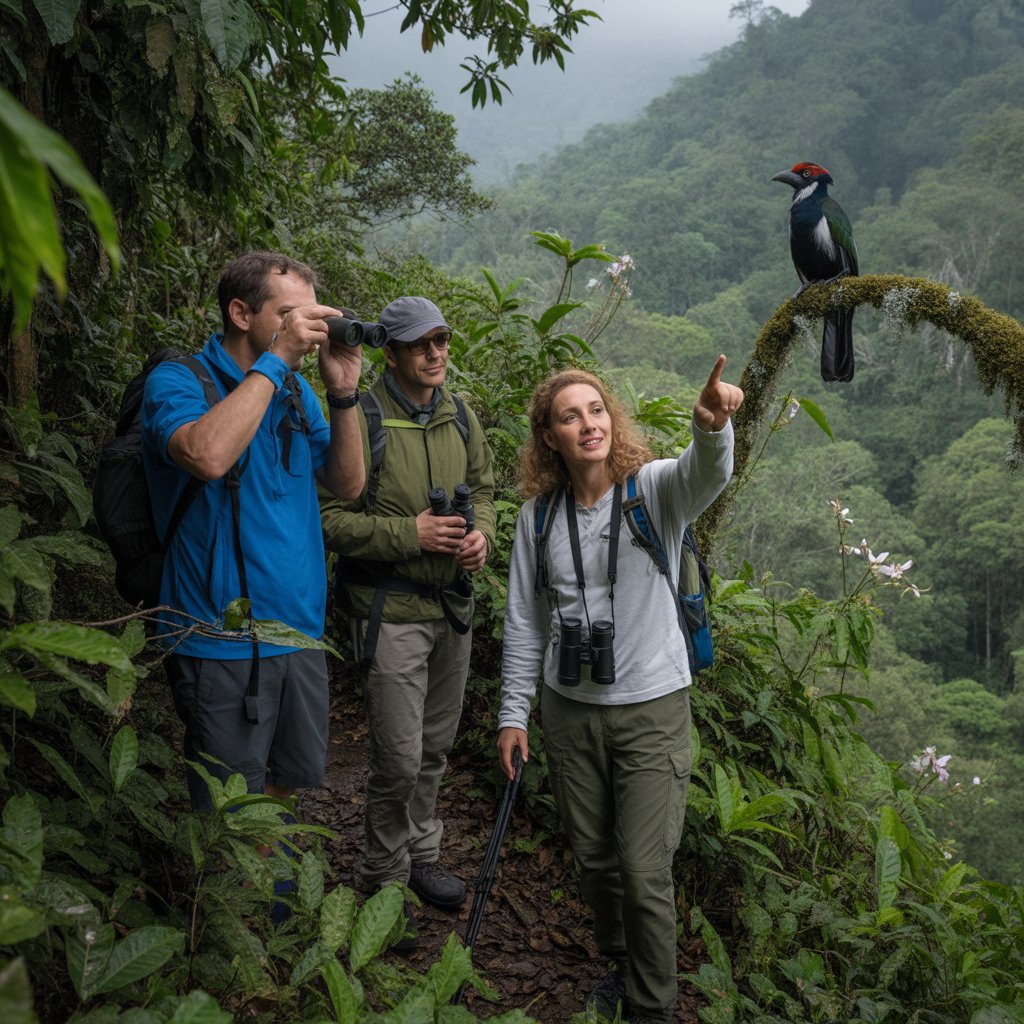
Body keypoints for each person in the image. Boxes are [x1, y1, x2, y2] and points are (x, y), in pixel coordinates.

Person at [497, 357, 743, 1024]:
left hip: (651, 710)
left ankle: (652, 1006)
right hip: (569, 711)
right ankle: (619, 962)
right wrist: (512, 716)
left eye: (596, 410)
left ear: (613, 419)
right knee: (597, 862)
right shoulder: (537, 520)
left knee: (644, 872)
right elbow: (524, 621)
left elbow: (705, 474)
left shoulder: (653, 492)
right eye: (569, 416)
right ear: (549, 437)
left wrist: (711, 428)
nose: (588, 424)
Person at [141, 251, 365, 813]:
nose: (305, 329)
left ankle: (275, 903)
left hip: (299, 631)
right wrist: (277, 361)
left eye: (311, 315)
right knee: (229, 807)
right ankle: (233, 903)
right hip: (221, 637)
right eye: (290, 314)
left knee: (287, 784)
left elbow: (348, 484)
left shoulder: (295, 391)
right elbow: (207, 454)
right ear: (241, 313)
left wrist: (342, 393)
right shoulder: (178, 380)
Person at [320, 296, 496, 945]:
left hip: (452, 605)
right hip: (388, 607)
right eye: (420, 344)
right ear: (389, 353)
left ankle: (422, 850)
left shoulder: (460, 415)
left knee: (434, 748)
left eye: (442, 340)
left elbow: (491, 494)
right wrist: (410, 534)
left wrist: (484, 541)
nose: (435, 353)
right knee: (398, 753)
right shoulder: (362, 418)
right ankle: (382, 873)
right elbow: (329, 520)